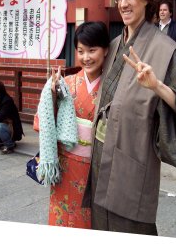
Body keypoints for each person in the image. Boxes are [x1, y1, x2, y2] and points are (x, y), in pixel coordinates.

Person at [83, 0, 176, 235]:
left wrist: (157, 85)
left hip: (133, 151)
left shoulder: (164, 48)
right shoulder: (113, 45)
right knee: (100, 221)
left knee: (130, 221)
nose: (123, 3)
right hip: (101, 149)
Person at [47, 21, 109, 228]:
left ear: (106, 50)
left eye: (92, 50)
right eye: (81, 51)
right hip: (66, 164)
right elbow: (46, 121)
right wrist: (52, 96)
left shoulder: (111, 88)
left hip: (95, 165)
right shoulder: (67, 82)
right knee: (63, 216)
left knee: (88, 219)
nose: (86, 57)